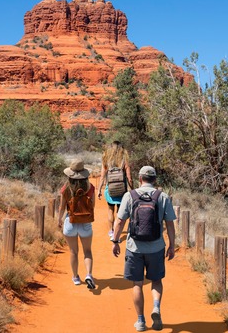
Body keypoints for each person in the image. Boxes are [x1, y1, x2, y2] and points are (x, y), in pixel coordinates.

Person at [112, 166, 176, 332]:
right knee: (156, 281)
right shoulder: (162, 197)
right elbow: (170, 223)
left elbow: (119, 221)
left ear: (140, 178)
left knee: (137, 284)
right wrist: (171, 246)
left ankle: (140, 321)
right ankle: (156, 307)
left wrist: (116, 241)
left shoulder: (130, 196)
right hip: (156, 248)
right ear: (154, 179)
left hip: (134, 248)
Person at [58, 159, 97, 289]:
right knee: (87, 251)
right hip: (85, 222)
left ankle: (75, 277)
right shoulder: (90, 187)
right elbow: (93, 206)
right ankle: (89, 275)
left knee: (73, 252)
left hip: (70, 221)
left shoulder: (66, 188)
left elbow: (62, 207)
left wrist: (59, 220)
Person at [97, 141, 132, 240]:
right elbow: (129, 177)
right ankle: (117, 233)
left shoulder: (107, 160)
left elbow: (102, 176)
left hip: (110, 189)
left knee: (110, 211)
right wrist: (132, 189)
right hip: (122, 190)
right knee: (119, 213)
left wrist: (99, 189)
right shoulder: (124, 160)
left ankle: (111, 232)